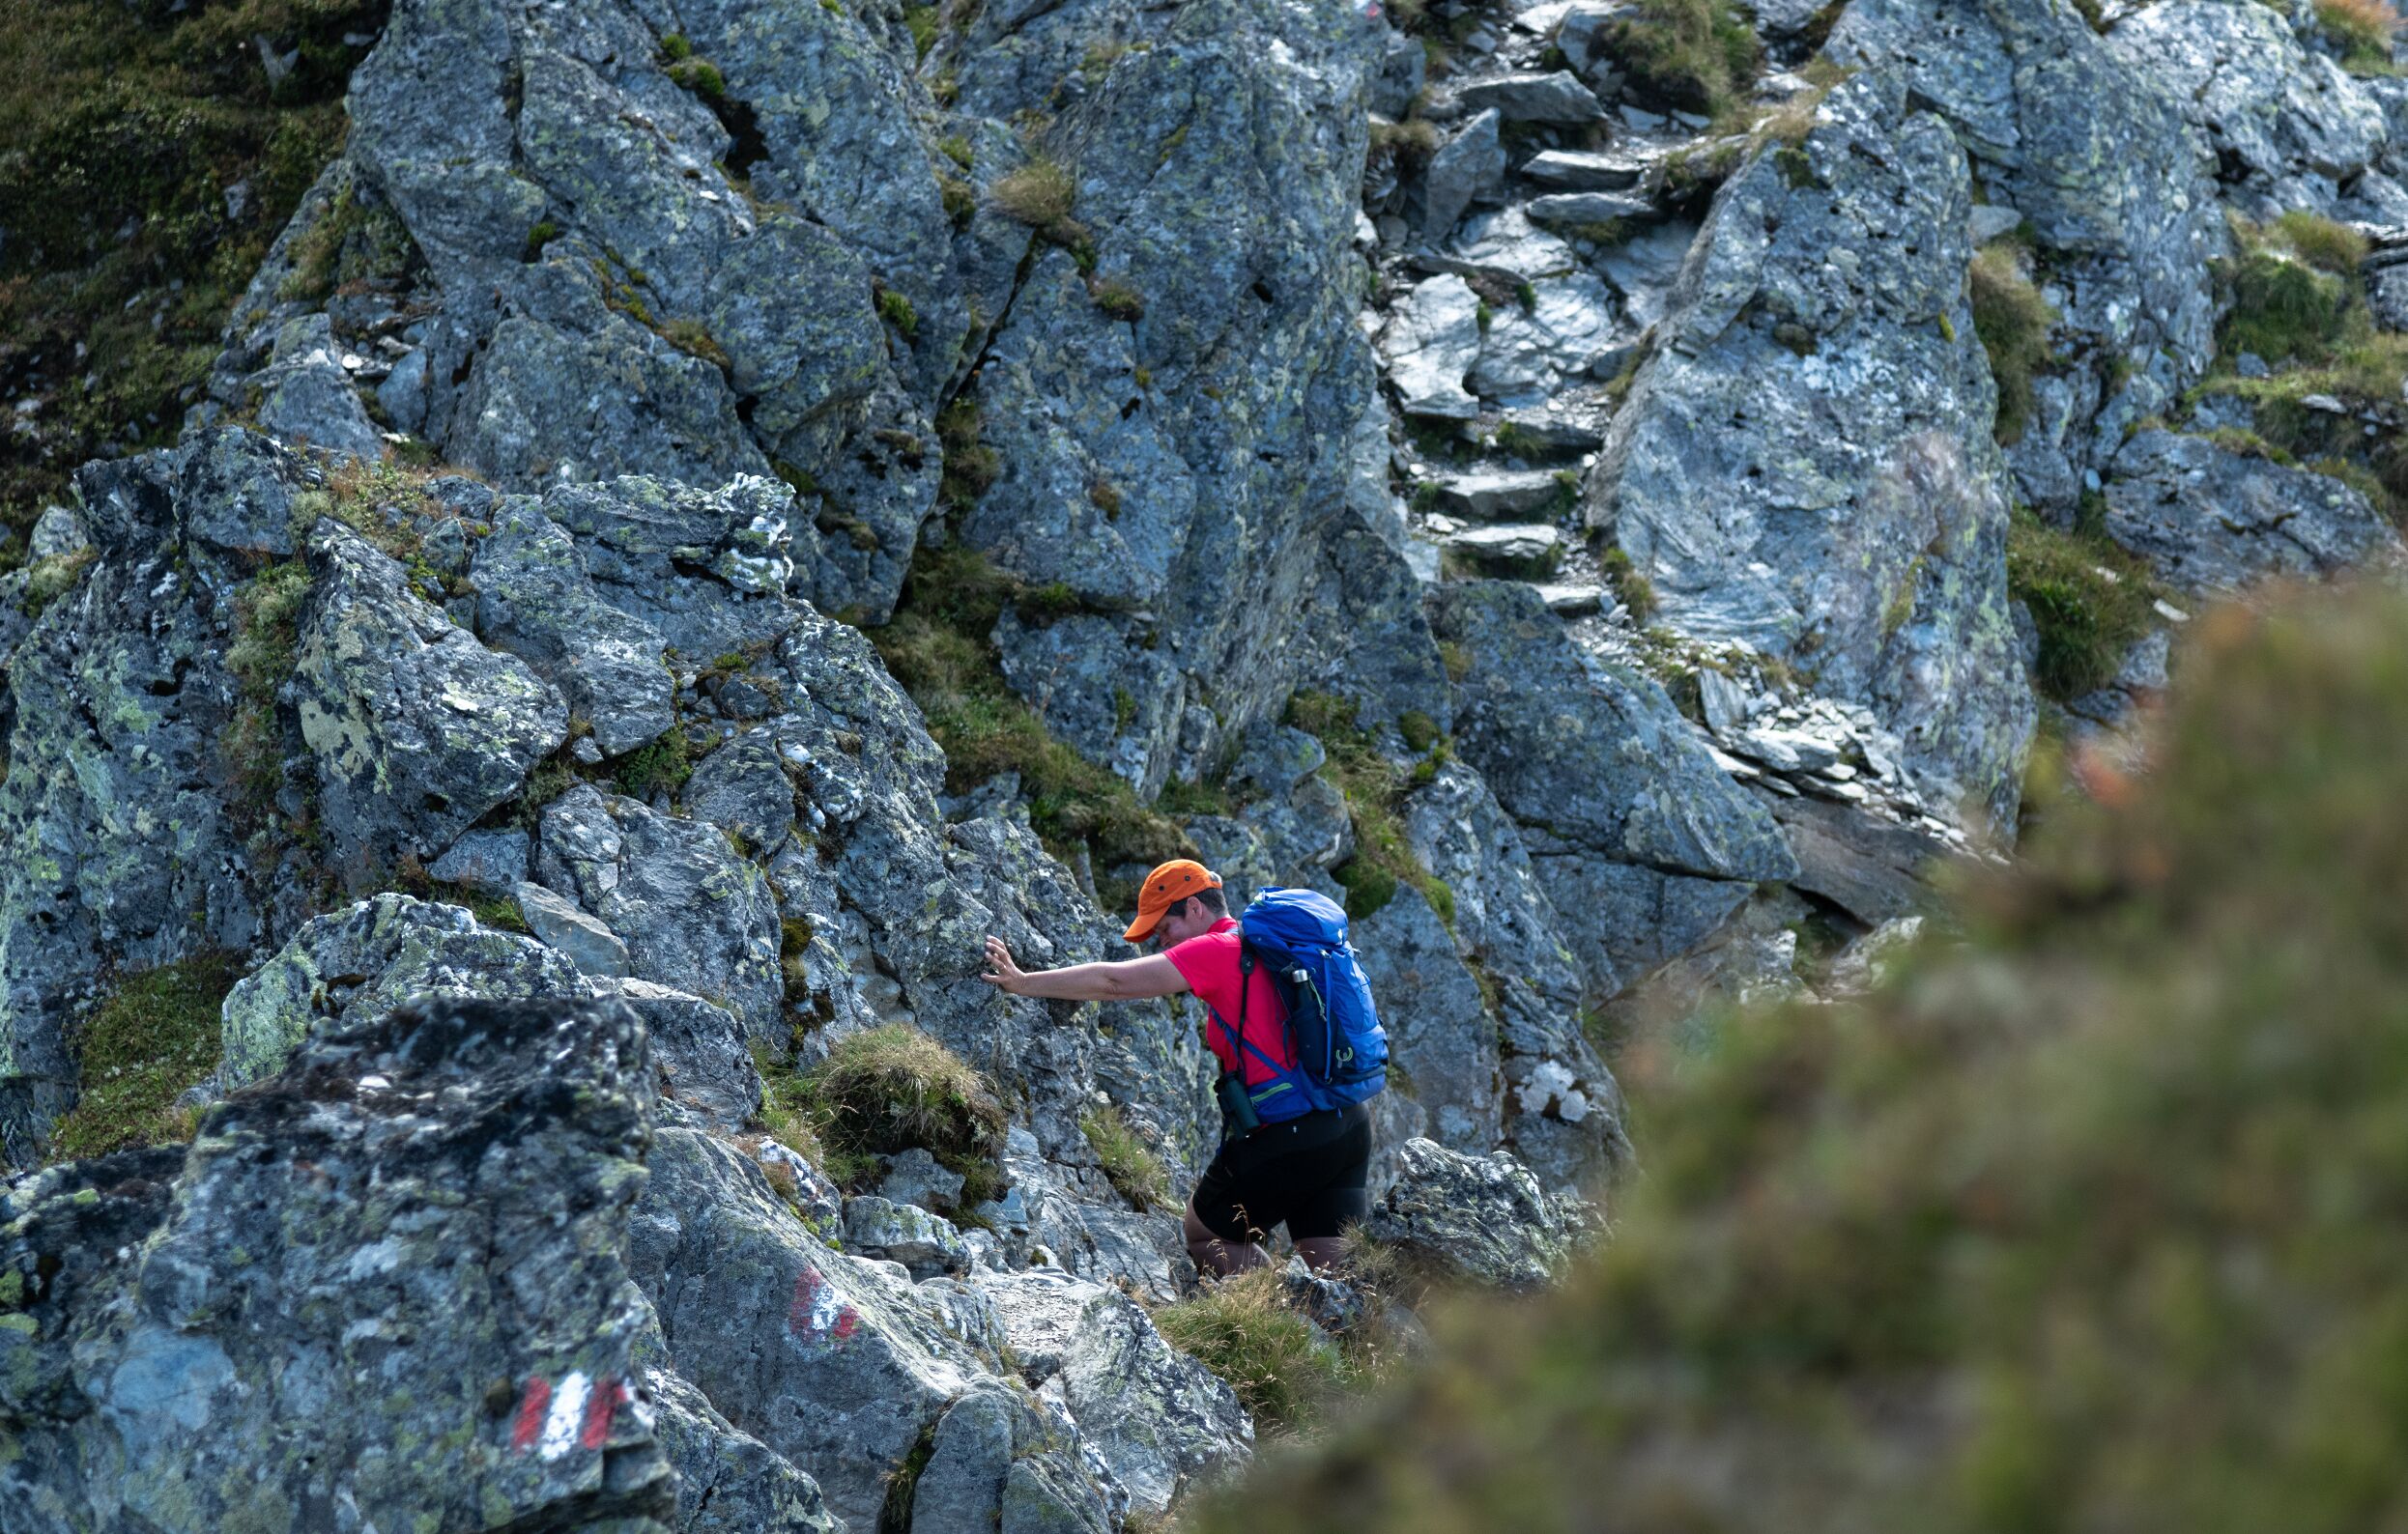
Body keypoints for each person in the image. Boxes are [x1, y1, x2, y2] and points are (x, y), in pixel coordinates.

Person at [979, 858, 1372, 1275]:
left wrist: (1023, 981)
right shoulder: (1269, 949)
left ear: (1196, 908)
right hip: (1348, 1122)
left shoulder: (1219, 950)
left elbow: (1115, 982)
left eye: (1166, 928)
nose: (1164, 943)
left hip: (1293, 1131)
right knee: (1338, 1278)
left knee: (1206, 1234)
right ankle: (1326, 1314)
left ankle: (1269, 1307)